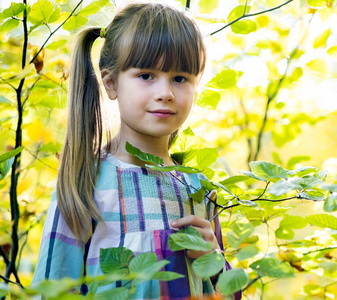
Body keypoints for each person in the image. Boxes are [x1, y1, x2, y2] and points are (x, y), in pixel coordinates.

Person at [32, 3, 236, 299]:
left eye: (180, 78)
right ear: (111, 83)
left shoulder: (198, 188)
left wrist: (215, 261)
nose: (165, 92)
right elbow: (50, 291)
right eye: (146, 75)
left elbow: (224, 292)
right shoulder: (85, 182)